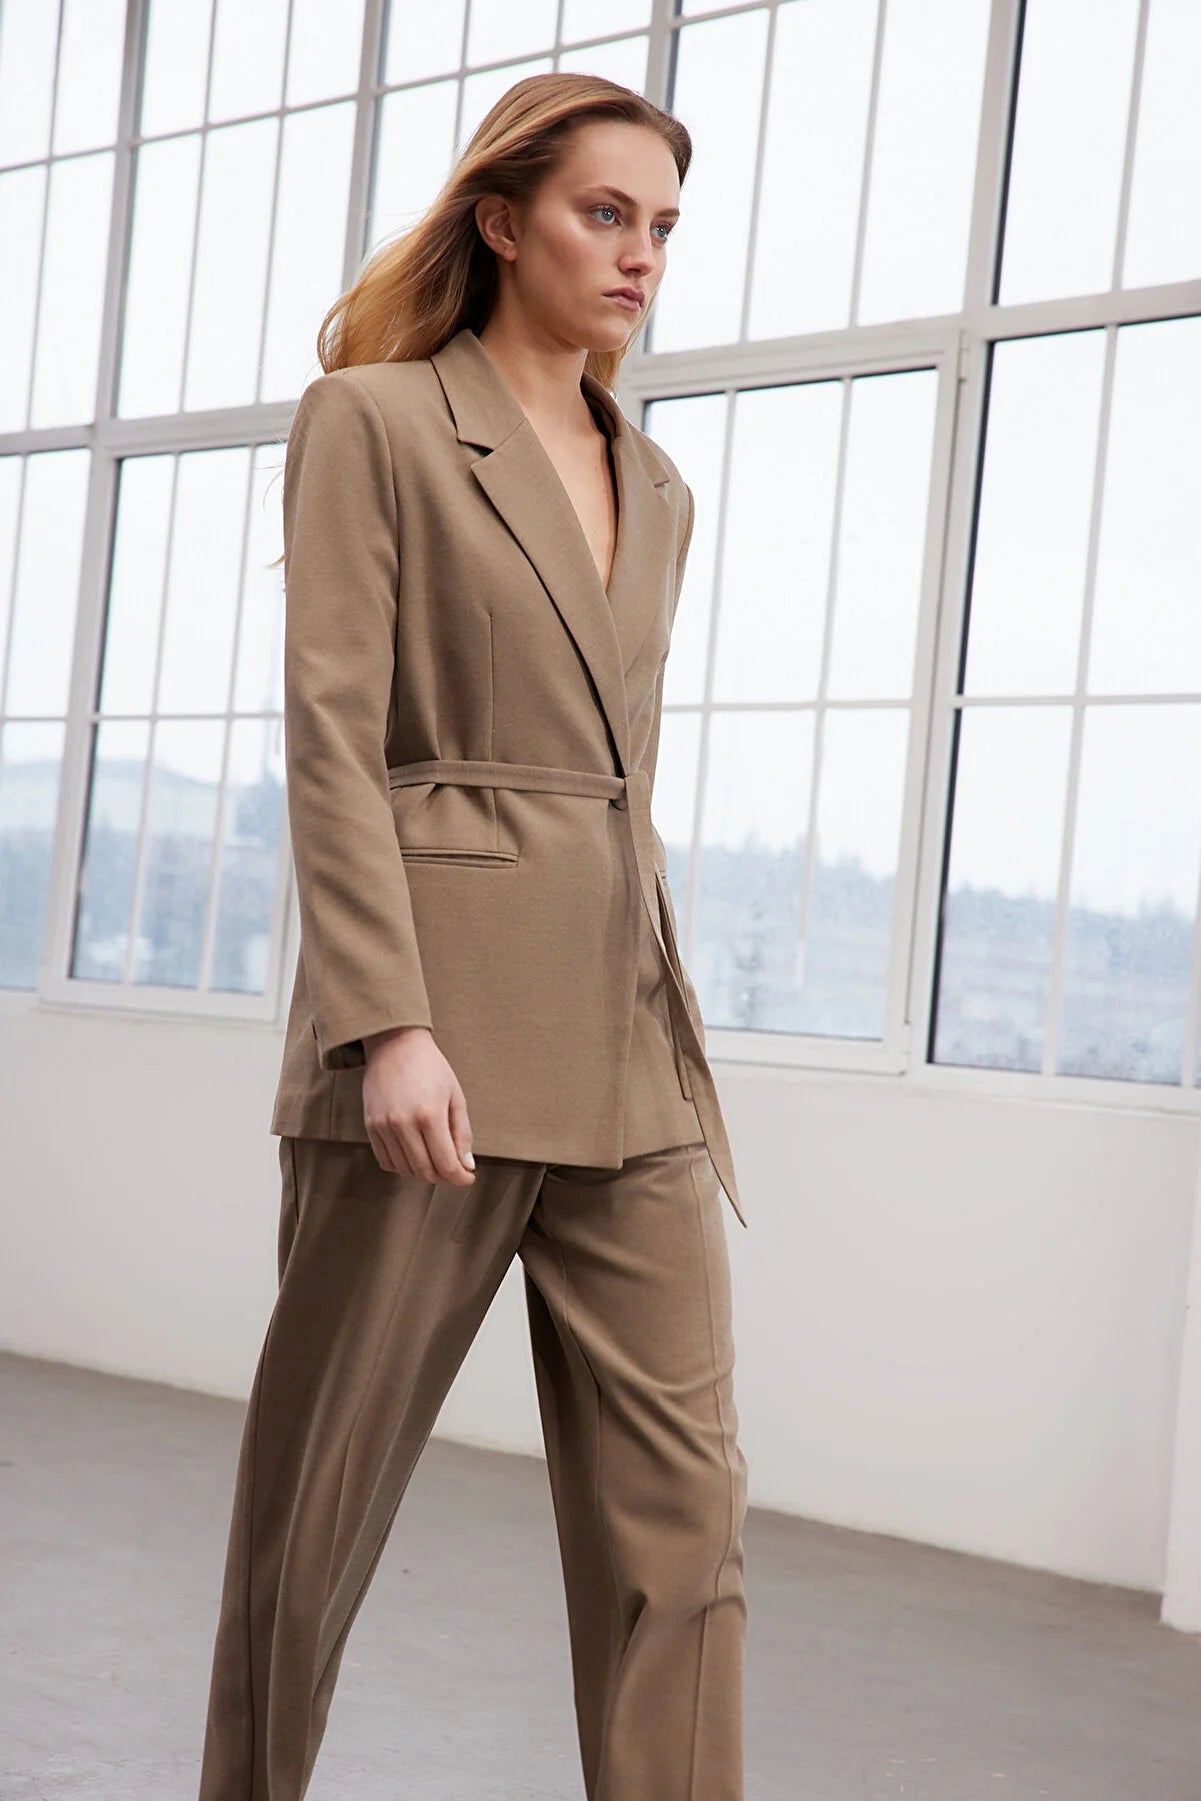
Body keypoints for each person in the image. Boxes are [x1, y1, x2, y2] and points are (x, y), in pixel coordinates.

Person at [197, 71, 749, 1801]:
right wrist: (384, 1022)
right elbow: (331, 734)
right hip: (427, 1036)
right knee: (314, 1518)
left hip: (626, 1042)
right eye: (606, 213)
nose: (640, 252)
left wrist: (663, 1021)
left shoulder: (657, 486)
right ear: (502, 220)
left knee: (686, 1526)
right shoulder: (370, 420)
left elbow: (616, 774)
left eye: (662, 225)